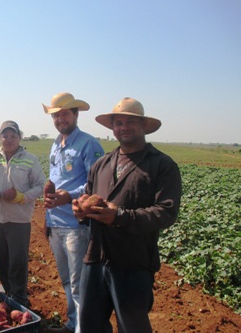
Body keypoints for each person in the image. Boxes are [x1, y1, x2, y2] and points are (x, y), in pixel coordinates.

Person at [72, 97, 182, 332]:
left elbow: (166, 211)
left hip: (133, 261)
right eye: (118, 122)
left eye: (130, 122)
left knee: (132, 325)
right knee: (91, 323)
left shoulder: (161, 165)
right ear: (112, 128)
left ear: (143, 126)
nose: (123, 127)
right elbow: (89, 200)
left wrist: (121, 216)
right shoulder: (101, 164)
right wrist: (81, 211)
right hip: (95, 258)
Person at [42, 93, 104, 333]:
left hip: (76, 226)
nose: (60, 119)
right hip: (56, 224)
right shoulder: (56, 144)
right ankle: (72, 324)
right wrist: (46, 219)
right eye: (56, 115)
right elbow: (55, 182)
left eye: (65, 113)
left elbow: (97, 184)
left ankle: (83, 328)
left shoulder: (89, 144)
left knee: (79, 285)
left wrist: (71, 195)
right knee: (67, 281)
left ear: (76, 114)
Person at [0, 120, 45, 307]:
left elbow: (40, 185)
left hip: (19, 218)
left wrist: (22, 196)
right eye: (5, 135)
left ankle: (20, 298)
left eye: (13, 136)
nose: (9, 139)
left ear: (19, 137)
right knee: (0, 258)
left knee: (18, 260)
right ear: (0, 137)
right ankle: (7, 291)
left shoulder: (31, 159)